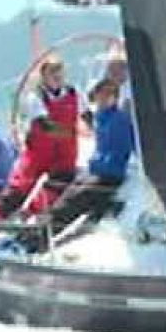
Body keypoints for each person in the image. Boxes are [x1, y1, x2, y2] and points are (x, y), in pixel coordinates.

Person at [21, 78, 136, 252]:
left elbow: (123, 149)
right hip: (95, 170)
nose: (103, 98)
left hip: (109, 174)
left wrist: (101, 166)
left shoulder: (119, 119)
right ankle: (36, 231)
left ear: (115, 97)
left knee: (72, 201)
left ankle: (38, 239)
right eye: (100, 94)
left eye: (109, 95)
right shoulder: (100, 117)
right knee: (67, 195)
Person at [0, 56, 80, 218]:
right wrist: (68, 133)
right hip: (39, 151)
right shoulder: (36, 97)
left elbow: (87, 115)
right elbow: (44, 125)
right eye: (52, 72)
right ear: (44, 76)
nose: (57, 76)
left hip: (65, 153)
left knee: (58, 185)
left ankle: (30, 215)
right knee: (21, 185)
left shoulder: (74, 93)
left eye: (59, 71)